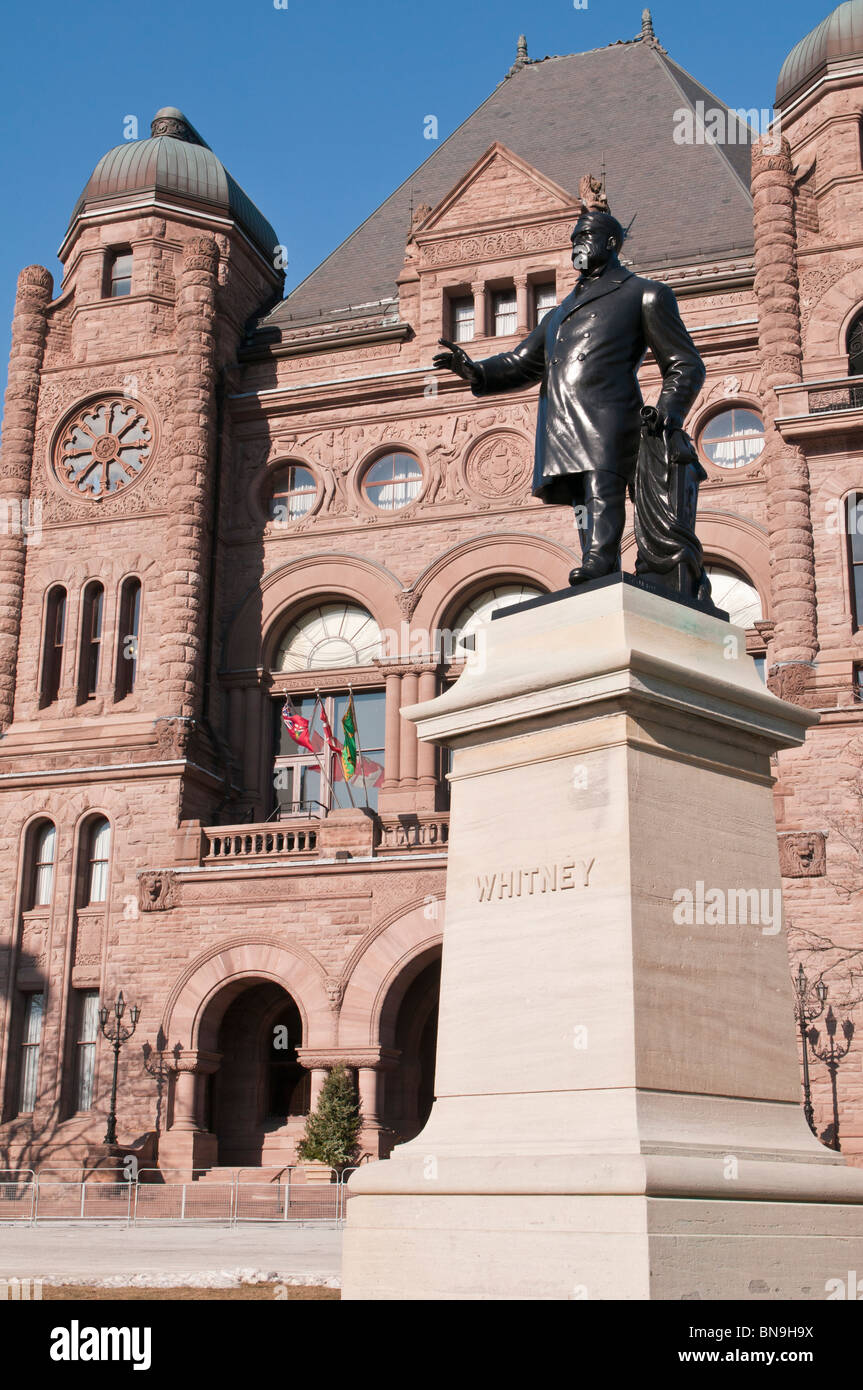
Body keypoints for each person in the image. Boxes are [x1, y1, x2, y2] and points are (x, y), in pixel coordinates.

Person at [433, 206, 705, 585]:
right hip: (561, 420)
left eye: (585, 238)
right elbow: (522, 362)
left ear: (611, 244)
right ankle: (597, 565)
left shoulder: (645, 293)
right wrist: (475, 370)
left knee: (601, 486)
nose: (577, 246)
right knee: (582, 496)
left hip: (609, 414)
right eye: (574, 240)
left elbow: (685, 363)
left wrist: (667, 412)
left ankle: (599, 560)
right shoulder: (558, 312)